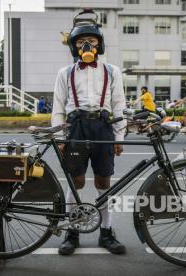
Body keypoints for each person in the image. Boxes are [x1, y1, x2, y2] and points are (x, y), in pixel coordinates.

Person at [52, 9, 127, 256]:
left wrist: (119, 136)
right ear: (74, 46)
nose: (87, 44)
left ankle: (106, 232)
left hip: (103, 127)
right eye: (81, 41)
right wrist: (61, 138)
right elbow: (58, 108)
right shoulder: (65, 73)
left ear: (99, 44)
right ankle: (72, 232)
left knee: (104, 181)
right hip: (76, 127)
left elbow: (119, 105)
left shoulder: (112, 71)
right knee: (76, 182)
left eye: (92, 40)